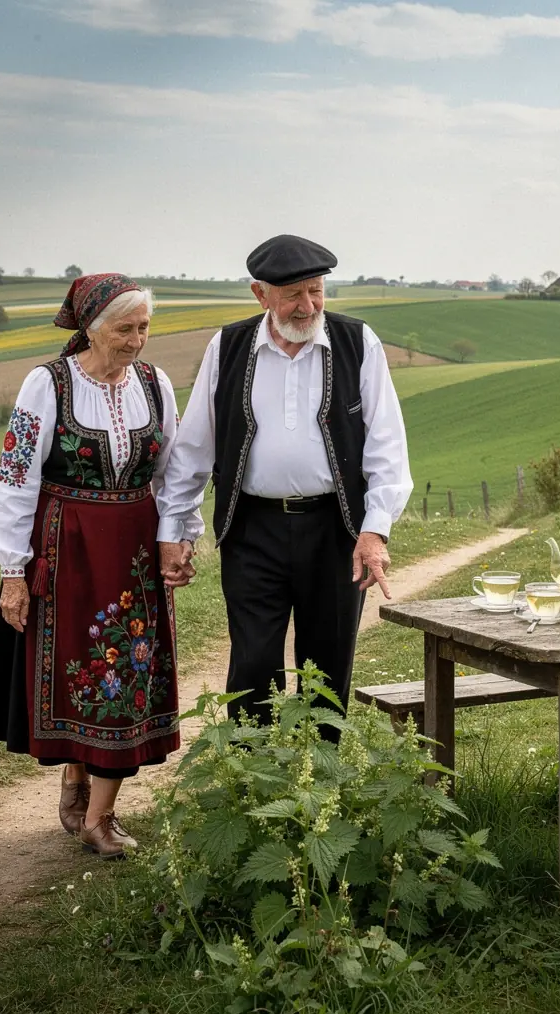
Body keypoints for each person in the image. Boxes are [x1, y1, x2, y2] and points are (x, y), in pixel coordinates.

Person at [157, 234, 412, 729]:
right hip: (253, 530)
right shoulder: (228, 347)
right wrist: (174, 530)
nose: (308, 305)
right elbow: (193, 449)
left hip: (336, 531)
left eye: (316, 291)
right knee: (253, 665)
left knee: (327, 666)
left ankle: (319, 787)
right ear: (261, 294)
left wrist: (375, 530)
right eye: (294, 293)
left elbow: (387, 446)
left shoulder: (357, 342)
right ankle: (253, 785)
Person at [0, 273, 180, 858]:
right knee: (77, 665)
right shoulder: (47, 385)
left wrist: (175, 537)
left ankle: (99, 816)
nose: (138, 340)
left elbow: (172, 472)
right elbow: (15, 477)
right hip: (69, 549)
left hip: (134, 552)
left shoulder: (156, 383)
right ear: (92, 327)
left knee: (128, 668)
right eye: (125, 328)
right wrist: (13, 571)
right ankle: (76, 775)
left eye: (144, 327)